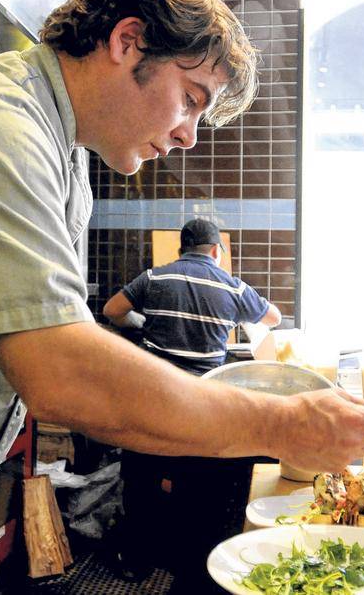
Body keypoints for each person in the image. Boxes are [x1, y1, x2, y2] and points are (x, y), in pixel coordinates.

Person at [0, 0, 364, 594]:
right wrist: (281, 425)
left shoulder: (67, 157)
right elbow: (61, 372)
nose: (189, 135)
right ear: (127, 41)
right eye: (190, 100)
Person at [103, 218, 282, 587]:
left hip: (153, 398)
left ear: (180, 249)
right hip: (200, 404)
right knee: (196, 484)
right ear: (216, 250)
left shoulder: (154, 277)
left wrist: (141, 323)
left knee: (142, 479)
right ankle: (189, 563)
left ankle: (136, 560)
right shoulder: (231, 285)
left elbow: (111, 310)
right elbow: (274, 318)